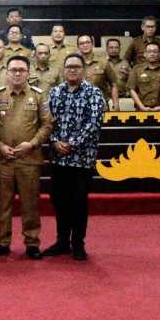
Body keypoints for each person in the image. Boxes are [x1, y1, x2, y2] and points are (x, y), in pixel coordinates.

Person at [0, 55, 53, 260]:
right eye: (13, 70)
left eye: (21, 70)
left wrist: (31, 144)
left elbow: (47, 125)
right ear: (7, 73)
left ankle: (32, 243)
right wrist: (0, 146)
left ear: (28, 73)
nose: (17, 74)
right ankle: (2, 242)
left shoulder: (38, 96)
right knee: (2, 204)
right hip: (4, 159)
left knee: (30, 204)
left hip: (29, 160)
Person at [44, 54, 106, 261]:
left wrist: (71, 143)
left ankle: (78, 243)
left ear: (84, 70)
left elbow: (94, 123)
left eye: (77, 67)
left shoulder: (94, 93)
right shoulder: (55, 92)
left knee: (79, 202)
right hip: (59, 158)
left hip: (81, 159)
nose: (72, 70)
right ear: (63, 69)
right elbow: (46, 121)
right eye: (69, 66)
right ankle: (62, 241)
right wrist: (54, 141)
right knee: (59, 200)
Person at [129, 43, 160, 111]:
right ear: (145, 54)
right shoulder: (136, 69)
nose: (152, 54)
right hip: (141, 110)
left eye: (155, 51)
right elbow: (131, 89)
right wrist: (141, 107)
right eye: (149, 51)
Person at [77, 34, 120, 110]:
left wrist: (116, 104)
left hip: (100, 105)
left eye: (87, 42)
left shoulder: (103, 62)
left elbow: (114, 84)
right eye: (82, 43)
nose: (85, 45)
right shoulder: (74, 63)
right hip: (79, 106)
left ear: (92, 44)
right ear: (78, 46)